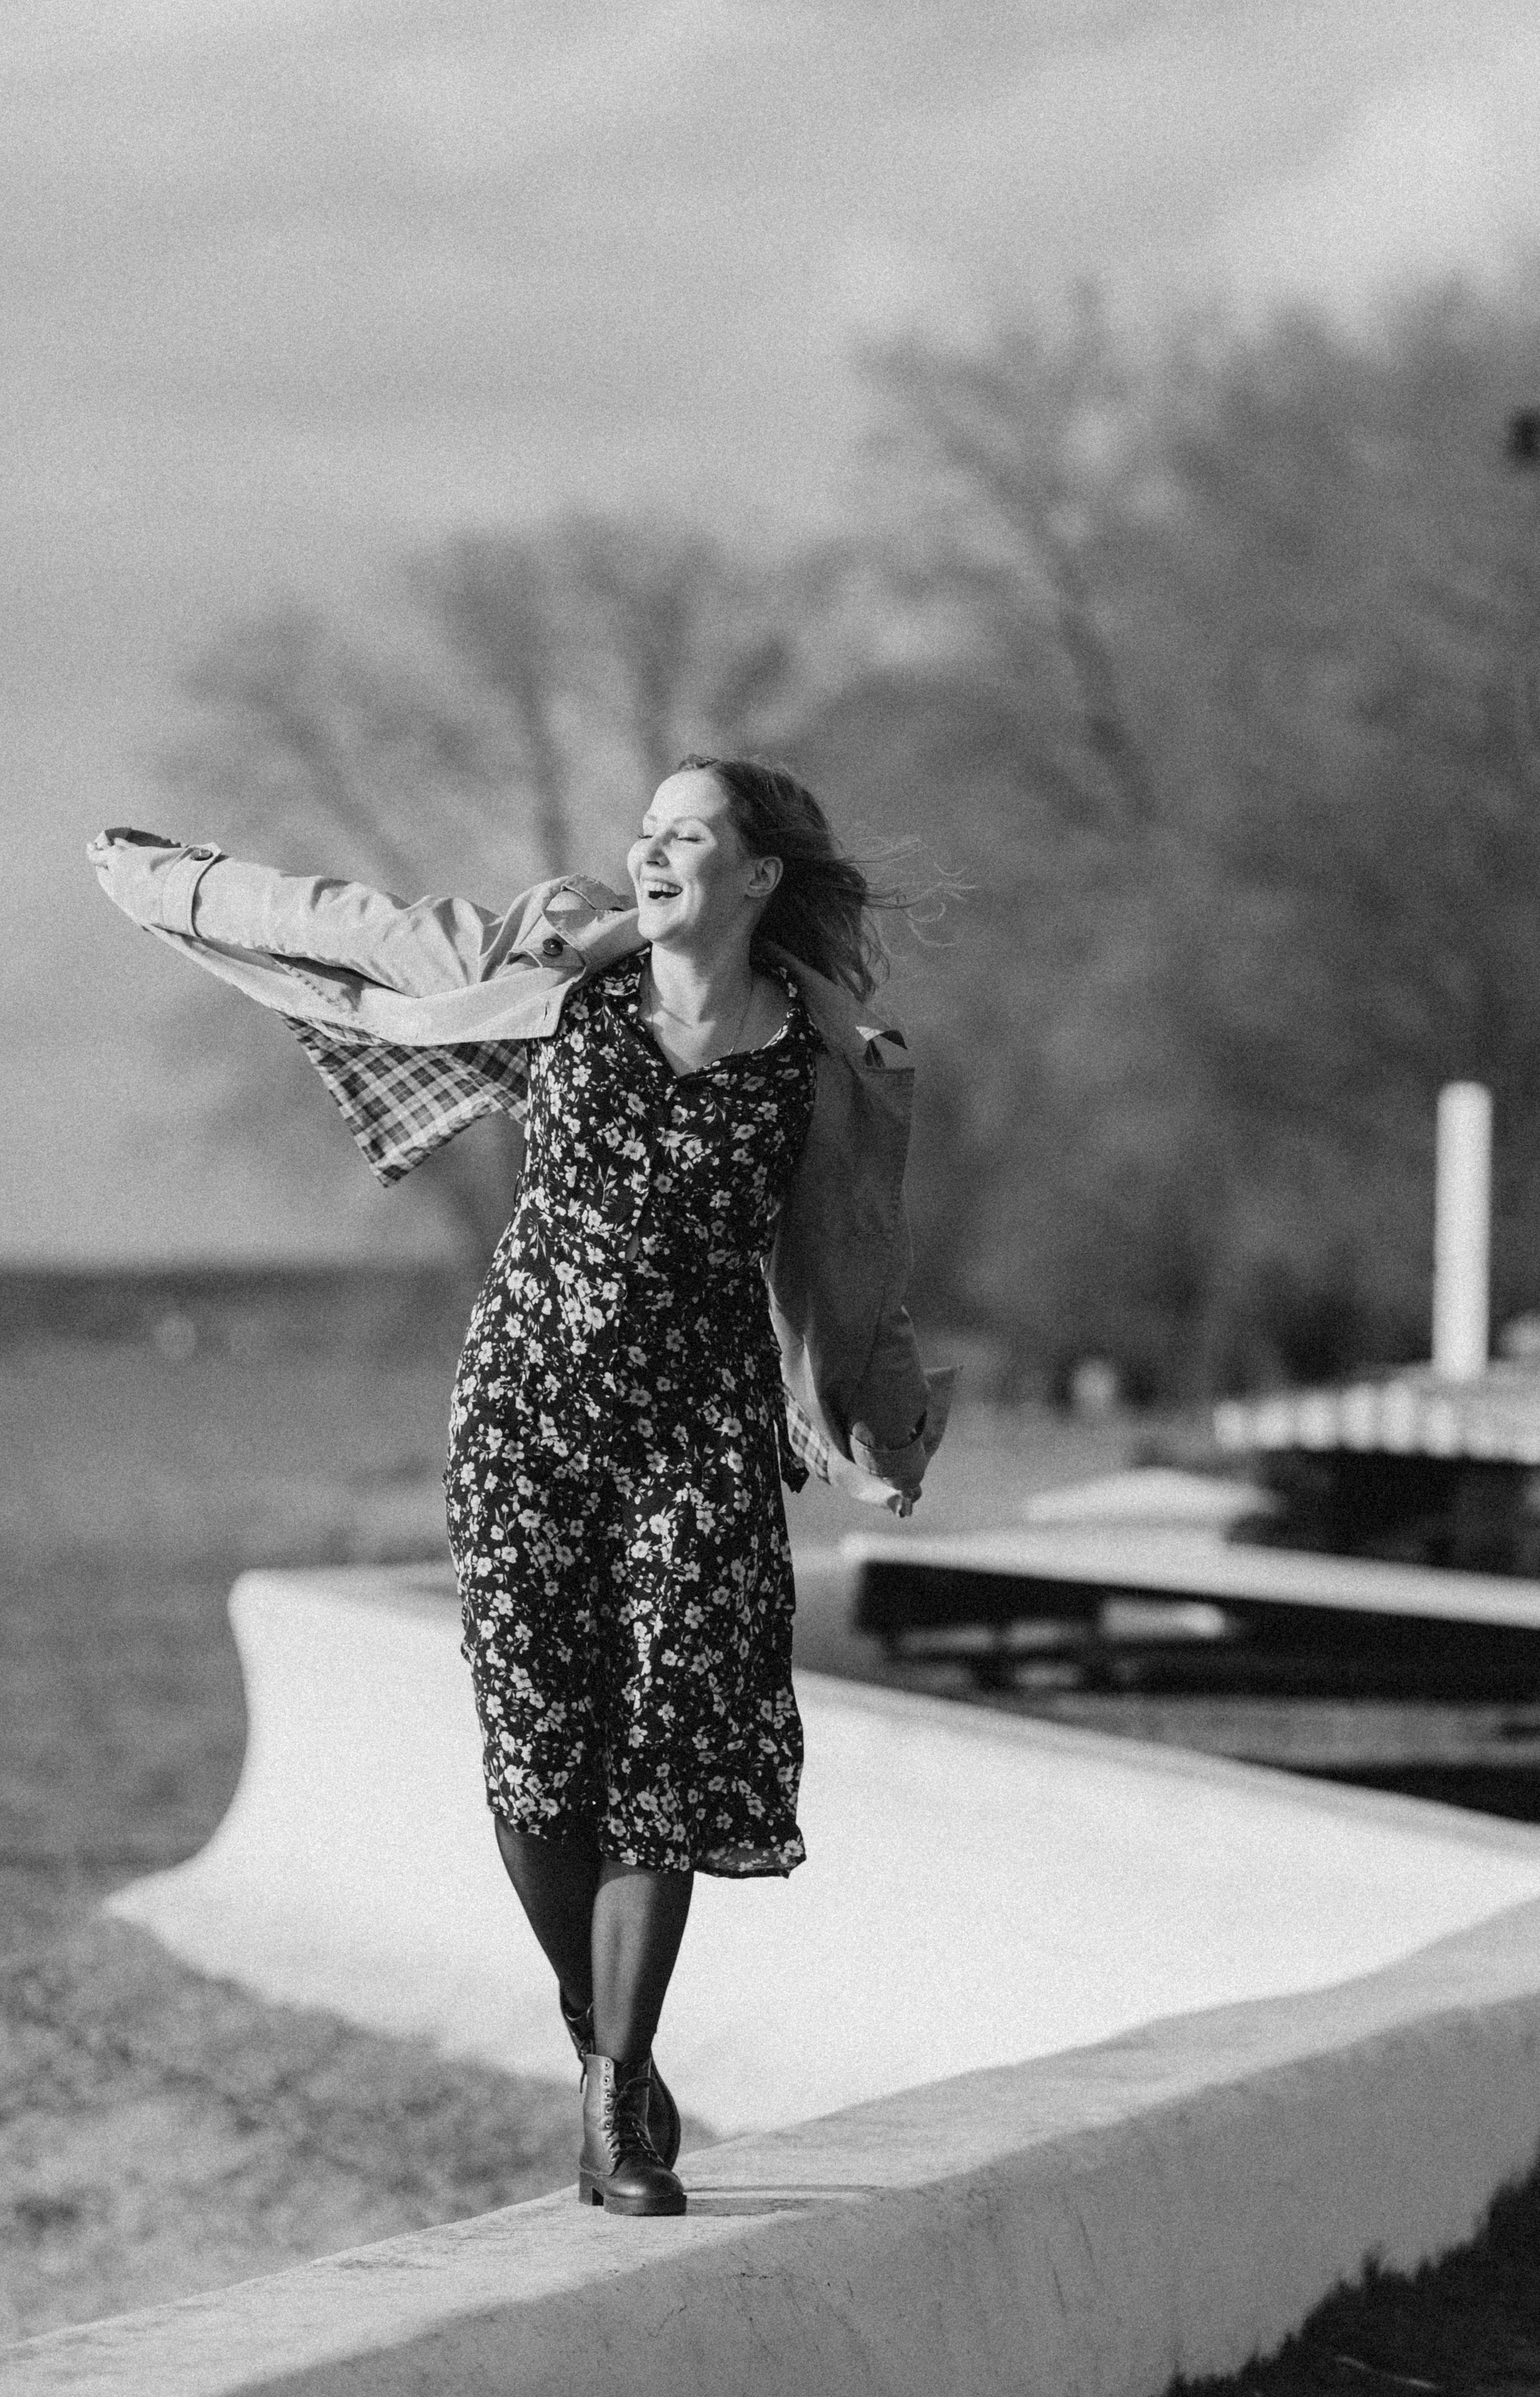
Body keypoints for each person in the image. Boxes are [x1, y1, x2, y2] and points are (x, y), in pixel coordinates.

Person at [89, 754, 955, 2218]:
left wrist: (882, 1435)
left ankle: (620, 2090)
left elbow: (848, 1280)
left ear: (755, 879)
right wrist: (168, 880)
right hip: (524, 1423)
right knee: (541, 1760)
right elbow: (357, 927)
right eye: (648, 830)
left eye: (690, 834)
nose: (651, 850)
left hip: (697, 1436)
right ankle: (592, 2023)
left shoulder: (821, 1071)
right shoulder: (556, 979)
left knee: (668, 1761)